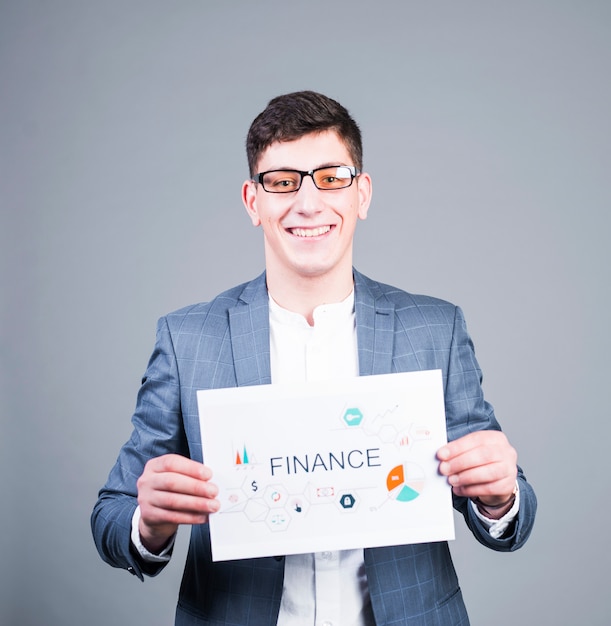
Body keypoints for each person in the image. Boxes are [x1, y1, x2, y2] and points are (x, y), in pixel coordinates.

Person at [92, 90, 537, 625]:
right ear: (253, 202)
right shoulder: (189, 340)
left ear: (362, 194)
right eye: (282, 182)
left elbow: (509, 509)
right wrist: (148, 521)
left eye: (331, 177)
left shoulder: (434, 329)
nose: (308, 203)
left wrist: (499, 497)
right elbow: (112, 514)